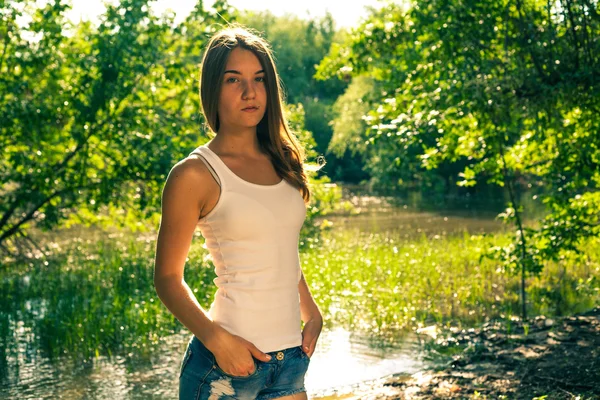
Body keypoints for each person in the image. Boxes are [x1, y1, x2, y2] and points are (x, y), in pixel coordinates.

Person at [153, 25, 323, 400]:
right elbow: (167, 278)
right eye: (234, 80)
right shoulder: (195, 174)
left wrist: (311, 312)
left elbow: (280, 250)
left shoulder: (284, 161)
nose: (250, 92)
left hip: (291, 360)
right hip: (224, 366)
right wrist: (216, 339)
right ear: (212, 88)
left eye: (259, 79)